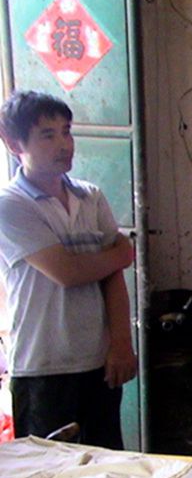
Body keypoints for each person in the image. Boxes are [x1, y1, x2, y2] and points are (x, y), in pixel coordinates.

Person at [0, 90, 136, 448]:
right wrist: (120, 254)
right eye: (48, 135)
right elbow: (67, 272)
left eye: (67, 130)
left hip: (99, 362)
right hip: (44, 369)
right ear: (15, 143)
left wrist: (121, 343)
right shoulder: (10, 205)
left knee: (106, 471)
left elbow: (112, 278)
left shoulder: (90, 196)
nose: (64, 143)